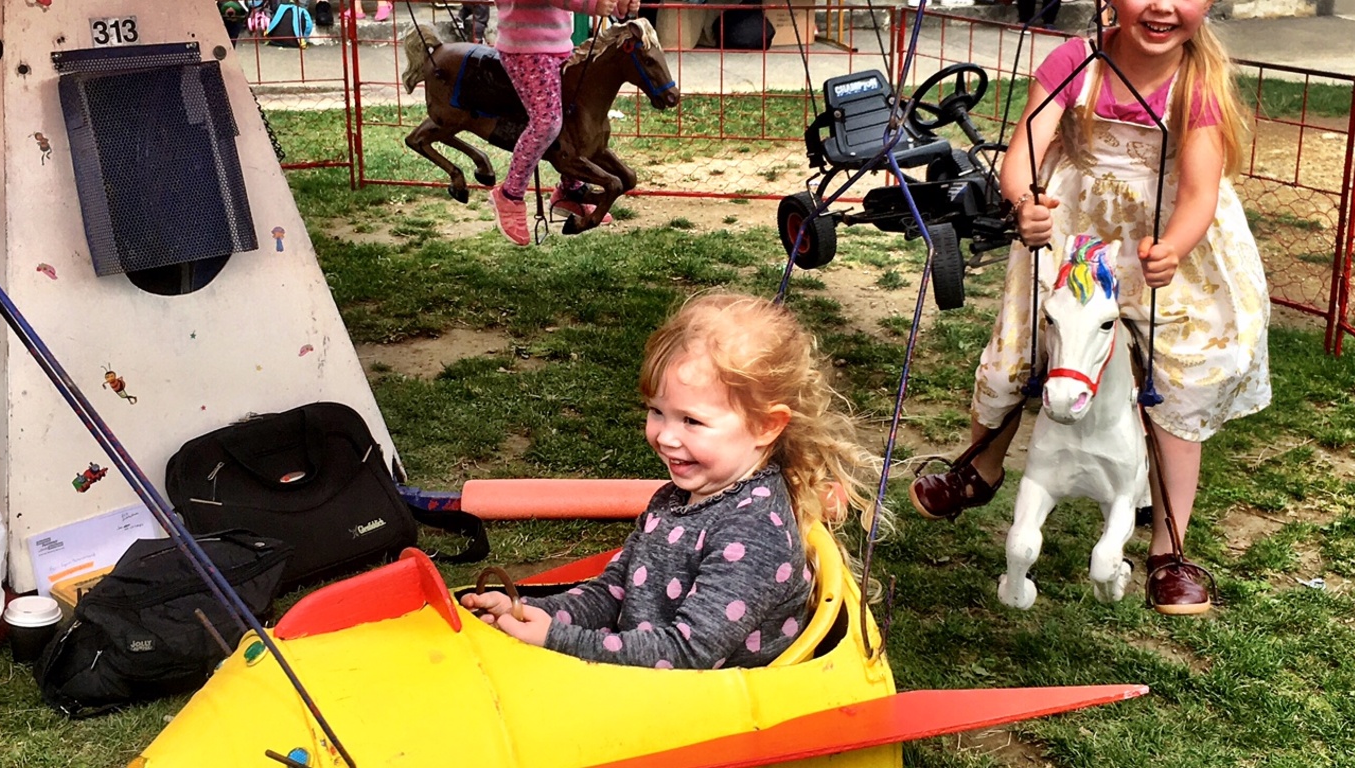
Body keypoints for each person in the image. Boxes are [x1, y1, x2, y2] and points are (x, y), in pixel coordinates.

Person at [909, 0, 1269, 616]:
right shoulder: (1077, 61)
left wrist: (1174, 247)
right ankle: (981, 466)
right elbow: (1025, 152)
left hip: (1162, 241)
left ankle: (1168, 548)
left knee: (1177, 381)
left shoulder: (1198, 82)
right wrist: (1024, 201)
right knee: (1023, 351)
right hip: (1073, 227)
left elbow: (1199, 191)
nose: (1162, 6)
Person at [462, 293, 886, 667]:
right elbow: (614, 592)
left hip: (714, 709)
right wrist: (533, 612)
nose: (665, 436)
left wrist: (557, 640)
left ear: (765, 426)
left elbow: (688, 653)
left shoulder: (754, 535)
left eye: (691, 420)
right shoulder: (678, 497)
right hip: (653, 679)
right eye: (657, 411)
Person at [487, 0, 637, 245]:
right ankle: (509, 194)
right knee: (547, 122)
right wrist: (591, 5)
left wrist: (619, 5)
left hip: (559, 45)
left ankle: (570, 189)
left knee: (571, 118)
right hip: (525, 48)